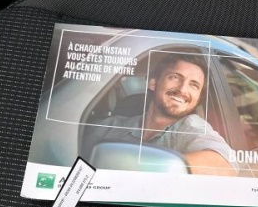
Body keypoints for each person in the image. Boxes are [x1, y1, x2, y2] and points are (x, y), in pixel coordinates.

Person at [87, 53, 237, 176]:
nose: (182, 90)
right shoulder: (110, 126)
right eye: (175, 77)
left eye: (194, 85)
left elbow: (225, 165)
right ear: (153, 83)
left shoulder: (192, 127)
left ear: (197, 99)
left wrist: (143, 166)